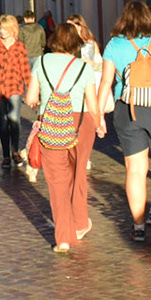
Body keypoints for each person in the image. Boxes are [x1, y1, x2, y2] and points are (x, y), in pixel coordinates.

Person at [98, 2, 151, 242]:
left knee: (135, 169)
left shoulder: (114, 45)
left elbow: (105, 83)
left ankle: (138, 226)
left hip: (128, 109)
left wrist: (98, 116)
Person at [27, 22, 103, 254]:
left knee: (57, 181)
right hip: (80, 123)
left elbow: (30, 98)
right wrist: (99, 123)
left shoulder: (41, 62)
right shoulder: (83, 67)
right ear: (75, 43)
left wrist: (42, 101)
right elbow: (92, 104)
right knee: (78, 174)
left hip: (51, 123)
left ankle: (63, 238)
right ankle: (80, 223)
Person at [0, 16, 32, 170]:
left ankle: (15, 151)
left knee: (14, 119)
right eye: (0, 28)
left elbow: (25, 69)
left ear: (12, 29)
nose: (1, 31)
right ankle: (6, 155)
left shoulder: (20, 47)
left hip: (14, 87)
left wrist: (30, 91)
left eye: (4, 28)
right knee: (3, 122)